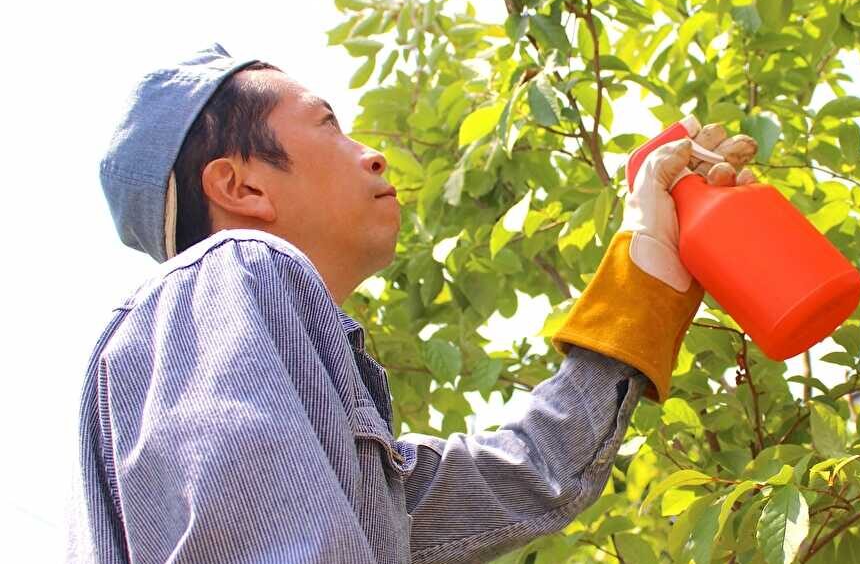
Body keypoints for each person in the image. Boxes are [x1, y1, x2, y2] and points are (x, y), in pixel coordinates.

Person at [69, 43, 757, 563]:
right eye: (329, 125)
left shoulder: (335, 461)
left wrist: (648, 260)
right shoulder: (235, 268)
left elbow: (531, 471)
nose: (371, 155)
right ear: (241, 188)